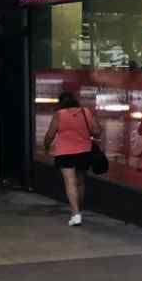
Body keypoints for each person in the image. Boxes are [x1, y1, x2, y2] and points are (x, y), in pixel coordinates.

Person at [42, 91, 98, 226]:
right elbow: (96, 131)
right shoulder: (85, 112)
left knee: (70, 182)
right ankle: (79, 209)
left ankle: (75, 213)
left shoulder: (59, 115)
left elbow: (50, 135)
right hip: (84, 152)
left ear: (60, 102)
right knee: (80, 182)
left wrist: (46, 146)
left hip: (65, 153)